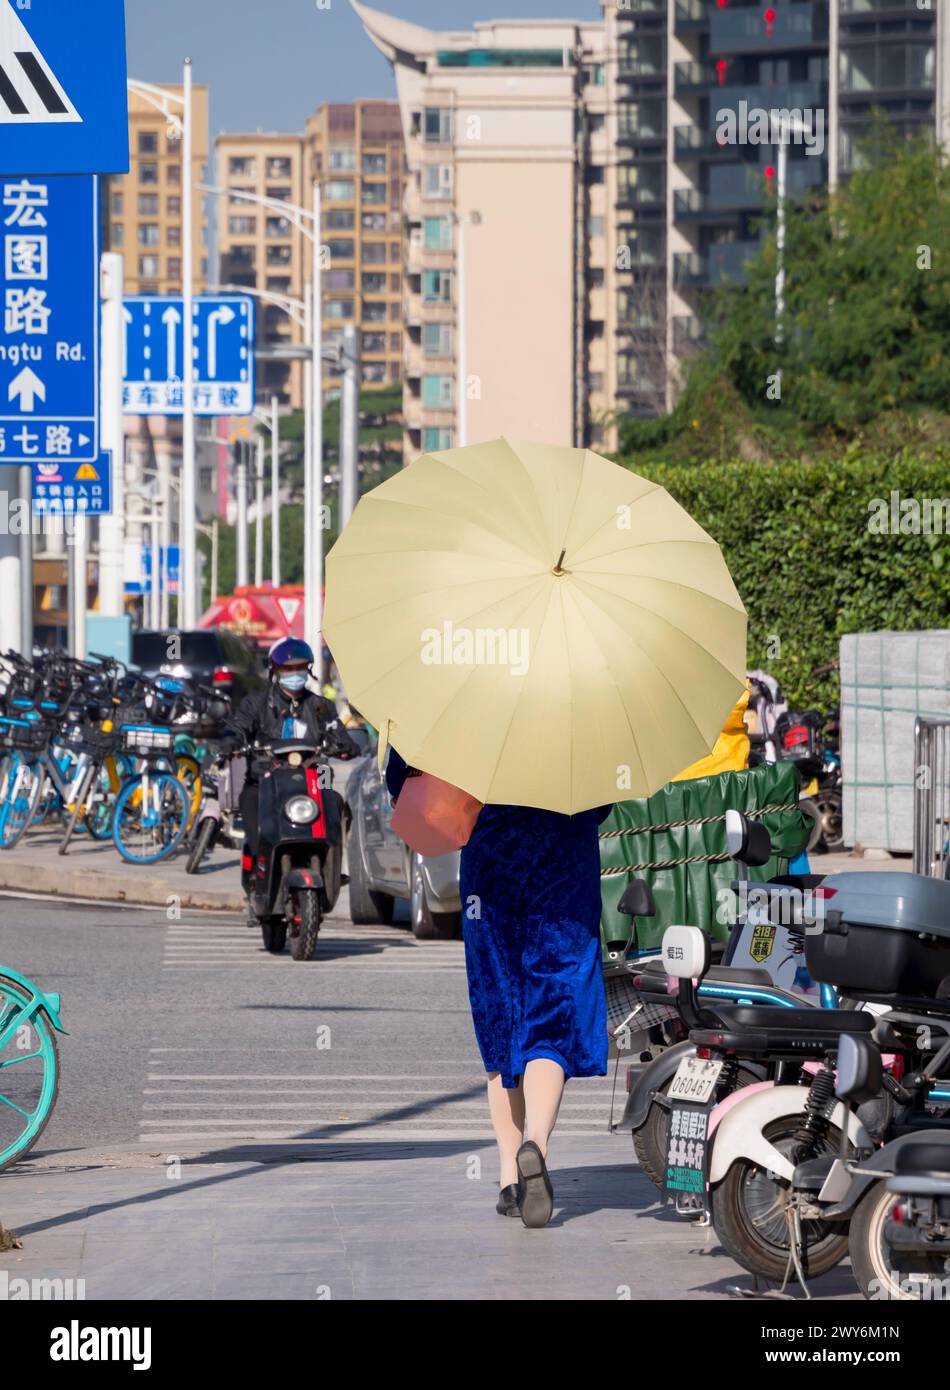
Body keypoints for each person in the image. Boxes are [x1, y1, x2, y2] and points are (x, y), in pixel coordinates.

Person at [385, 746, 612, 1230]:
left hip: (492, 860)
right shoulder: (578, 695)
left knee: (500, 1008)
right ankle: (538, 1144)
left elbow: (401, 777)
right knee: (555, 1006)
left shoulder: (467, 691)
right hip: (566, 856)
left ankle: (509, 1176)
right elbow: (605, 799)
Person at [230, 638, 359, 864]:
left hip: (314, 777)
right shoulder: (256, 703)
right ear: (275, 670)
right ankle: (260, 860)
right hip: (265, 777)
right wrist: (231, 741)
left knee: (335, 801)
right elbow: (238, 726)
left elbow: (337, 732)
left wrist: (346, 746)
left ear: (308, 669)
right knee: (249, 799)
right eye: (288, 668)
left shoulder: (321, 705)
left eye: (300, 668)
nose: (295, 673)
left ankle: (332, 865)